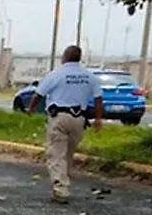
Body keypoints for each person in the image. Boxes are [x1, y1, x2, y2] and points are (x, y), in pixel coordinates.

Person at [26, 45, 102, 204]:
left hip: (59, 117)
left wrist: (31, 108)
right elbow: (98, 98)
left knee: (56, 153)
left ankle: (61, 189)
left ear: (65, 57)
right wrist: (98, 119)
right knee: (68, 153)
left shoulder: (56, 74)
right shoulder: (89, 76)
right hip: (79, 119)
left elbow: (39, 94)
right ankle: (63, 181)